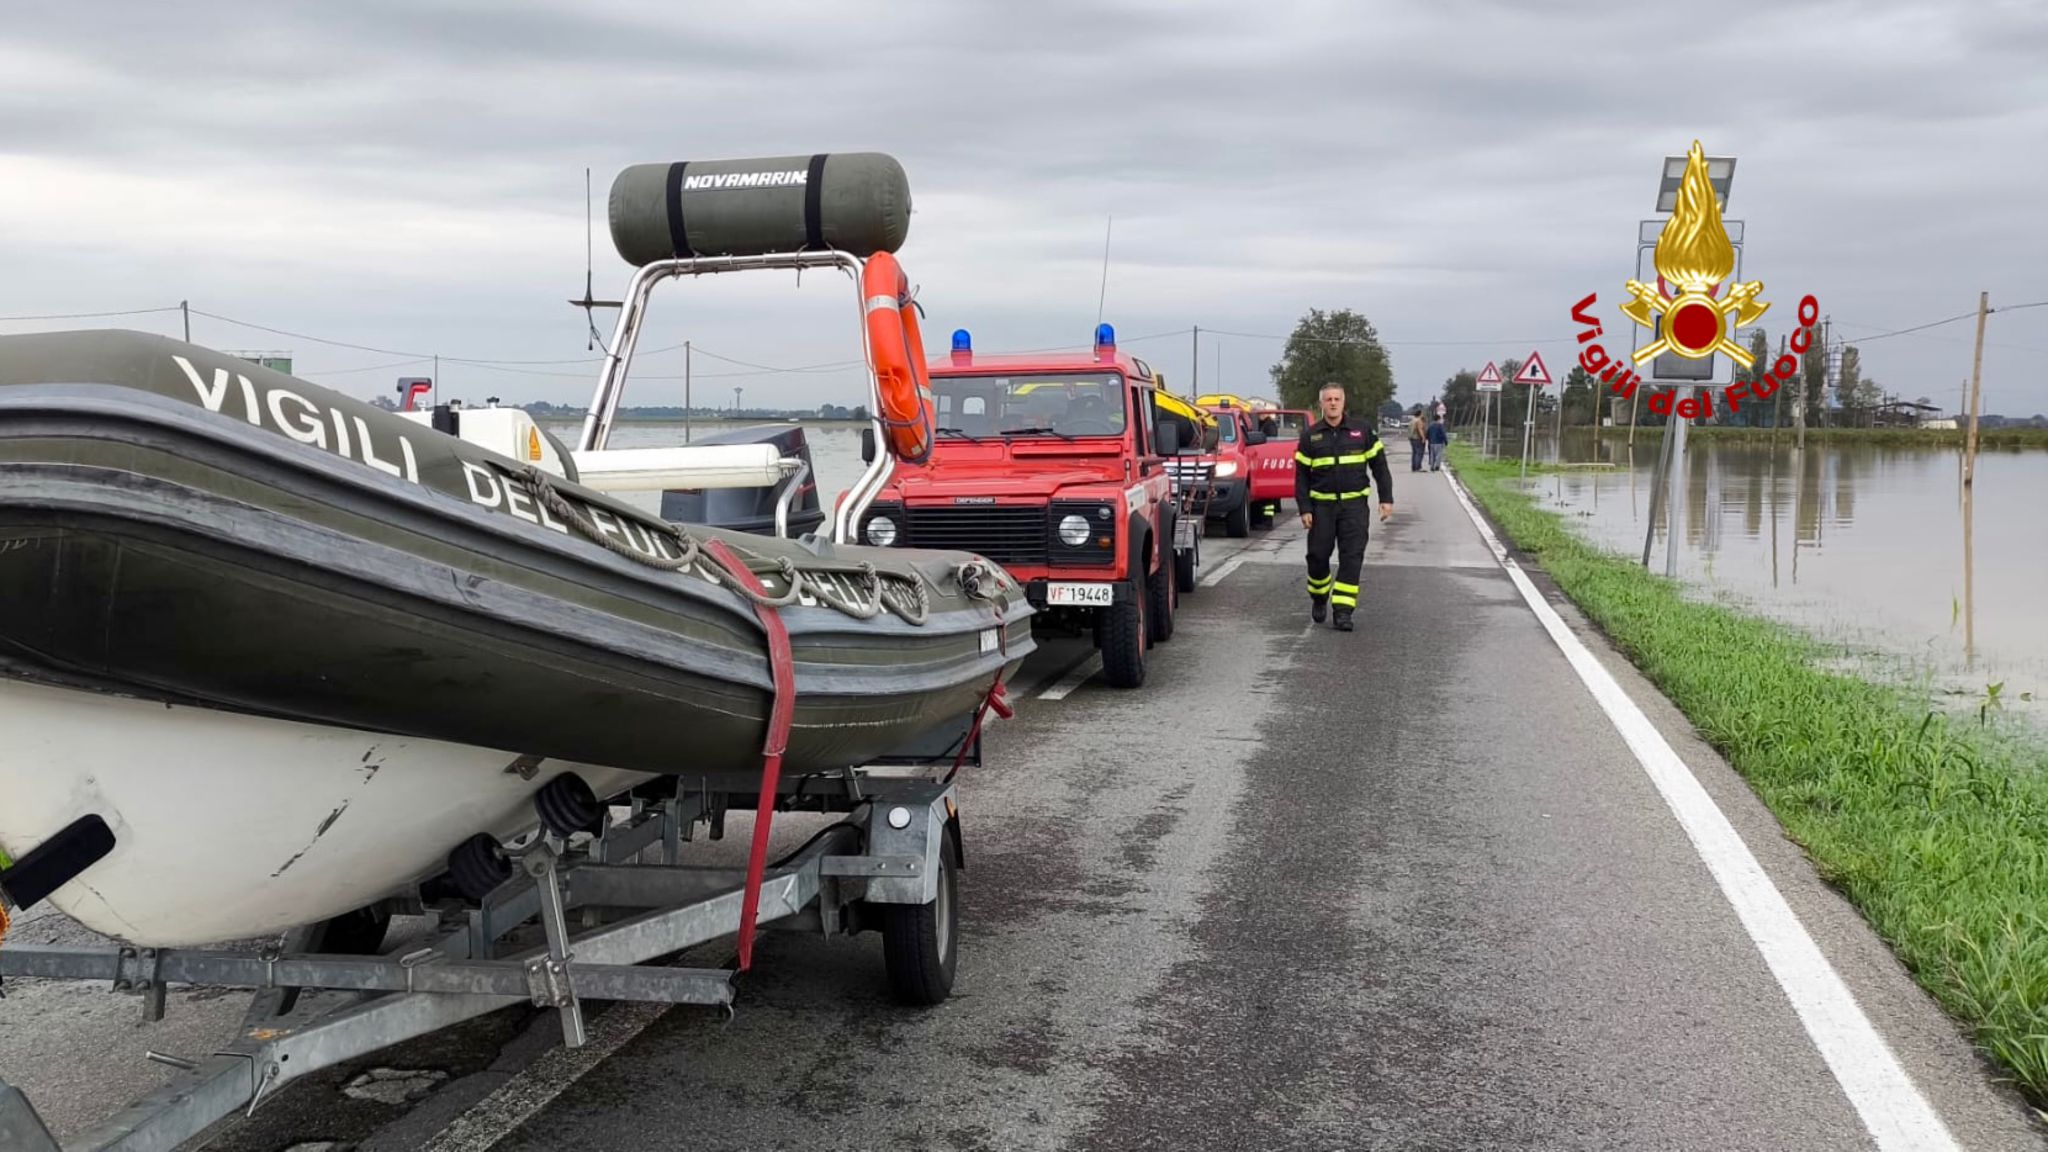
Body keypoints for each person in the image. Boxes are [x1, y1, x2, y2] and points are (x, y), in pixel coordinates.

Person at [1295, 383, 1394, 632]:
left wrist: (1386, 498)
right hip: (1321, 509)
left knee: (1351, 558)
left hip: (1354, 507)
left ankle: (1343, 611)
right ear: (1321, 404)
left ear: (1344, 402)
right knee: (1317, 557)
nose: (1332, 403)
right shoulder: (1311, 436)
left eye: (1337, 398)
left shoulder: (1362, 431)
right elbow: (1301, 477)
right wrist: (1305, 508)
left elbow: (1380, 466)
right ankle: (1319, 597)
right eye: (1328, 399)